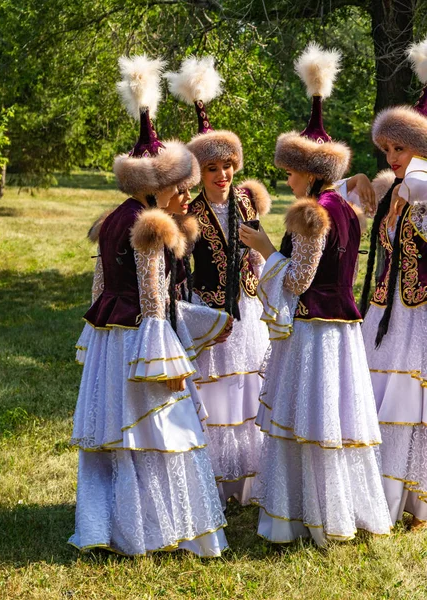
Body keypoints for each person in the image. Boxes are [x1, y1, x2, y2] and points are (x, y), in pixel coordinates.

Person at [69, 55, 230, 557]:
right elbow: (155, 301)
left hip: (107, 341)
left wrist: (93, 340)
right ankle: (153, 528)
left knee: (113, 440)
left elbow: (99, 290)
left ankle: (103, 526)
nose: (184, 192)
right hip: (140, 342)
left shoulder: (112, 219)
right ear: (153, 185)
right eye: (177, 185)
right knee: (155, 436)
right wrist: (167, 365)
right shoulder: (152, 229)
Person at [239, 43, 392, 546]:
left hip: (313, 329)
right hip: (343, 328)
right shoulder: (345, 207)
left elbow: (299, 280)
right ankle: (337, 511)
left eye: (290, 170)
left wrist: (263, 247)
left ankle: (302, 513)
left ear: (308, 171)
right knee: (335, 420)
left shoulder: (309, 213)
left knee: (308, 421)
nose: (286, 178)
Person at [166, 57, 271, 505]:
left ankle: (248, 479)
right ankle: (217, 480)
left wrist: (257, 261)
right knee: (218, 390)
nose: (223, 175)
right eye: (213, 170)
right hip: (210, 313)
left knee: (247, 389)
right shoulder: (189, 213)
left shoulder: (247, 200)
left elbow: (262, 254)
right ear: (199, 174)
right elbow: (179, 265)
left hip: (247, 309)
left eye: (228, 166)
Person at [359, 37, 427, 529]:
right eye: (386, 149)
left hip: (417, 313)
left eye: (399, 148)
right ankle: (379, 493)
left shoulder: (421, 192)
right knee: (381, 401)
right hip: (385, 311)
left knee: (409, 402)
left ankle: (414, 499)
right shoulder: (394, 191)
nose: (392, 157)